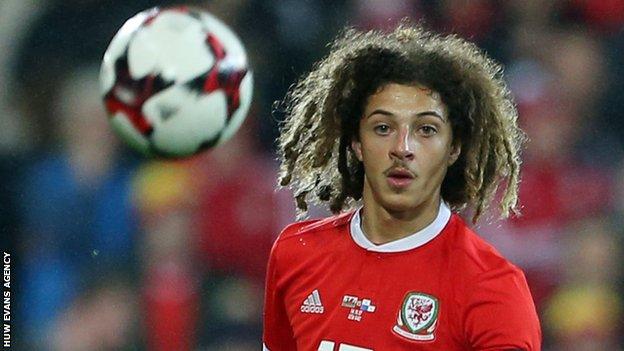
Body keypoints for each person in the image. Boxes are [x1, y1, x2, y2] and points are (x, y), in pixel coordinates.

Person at [263, 23, 541, 351]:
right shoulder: (296, 254)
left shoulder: (491, 287)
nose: (402, 147)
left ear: (454, 148)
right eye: (383, 127)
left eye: (426, 129)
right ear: (356, 142)